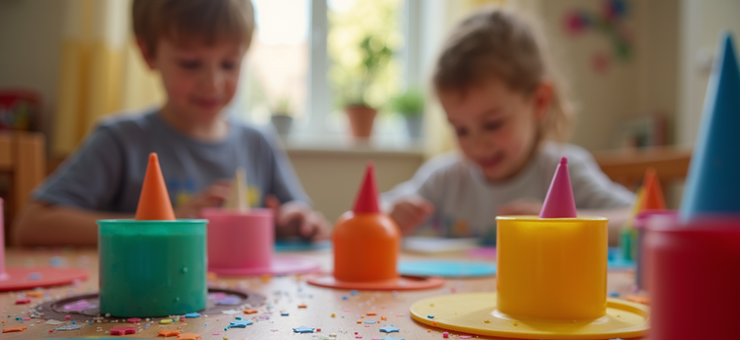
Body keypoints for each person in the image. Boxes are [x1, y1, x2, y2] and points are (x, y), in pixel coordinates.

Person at [13, 0, 329, 247]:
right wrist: (165, 222)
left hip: (246, 319)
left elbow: (298, 213)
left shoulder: (259, 142)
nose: (213, 82)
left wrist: (295, 221)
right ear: (148, 53)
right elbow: (31, 224)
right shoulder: (121, 140)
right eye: (190, 64)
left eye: (229, 64)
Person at [383, 7, 633, 245]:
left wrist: (566, 223)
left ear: (539, 101)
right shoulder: (444, 179)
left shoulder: (564, 172)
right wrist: (389, 217)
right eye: (460, 129)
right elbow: (368, 214)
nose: (477, 144)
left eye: (492, 124)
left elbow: (639, 219)